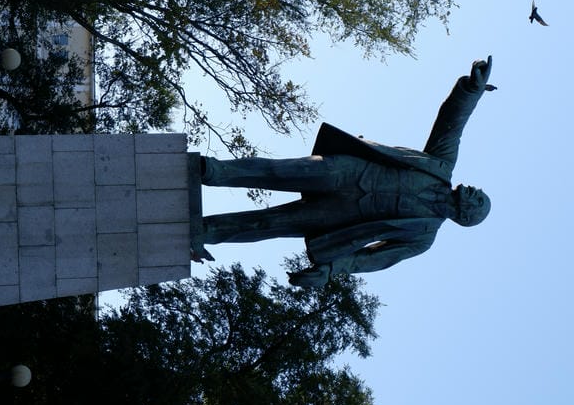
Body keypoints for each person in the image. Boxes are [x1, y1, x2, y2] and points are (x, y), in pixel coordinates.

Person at [194, 56, 494, 286]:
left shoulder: (423, 237)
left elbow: (374, 259)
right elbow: (451, 125)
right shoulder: (441, 166)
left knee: (268, 224)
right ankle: (212, 171)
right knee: (277, 171)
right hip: (347, 172)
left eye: (478, 199)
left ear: (466, 216)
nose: (475, 191)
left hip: (339, 216)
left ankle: (203, 232)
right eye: (480, 194)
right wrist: (471, 89)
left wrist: (332, 269)